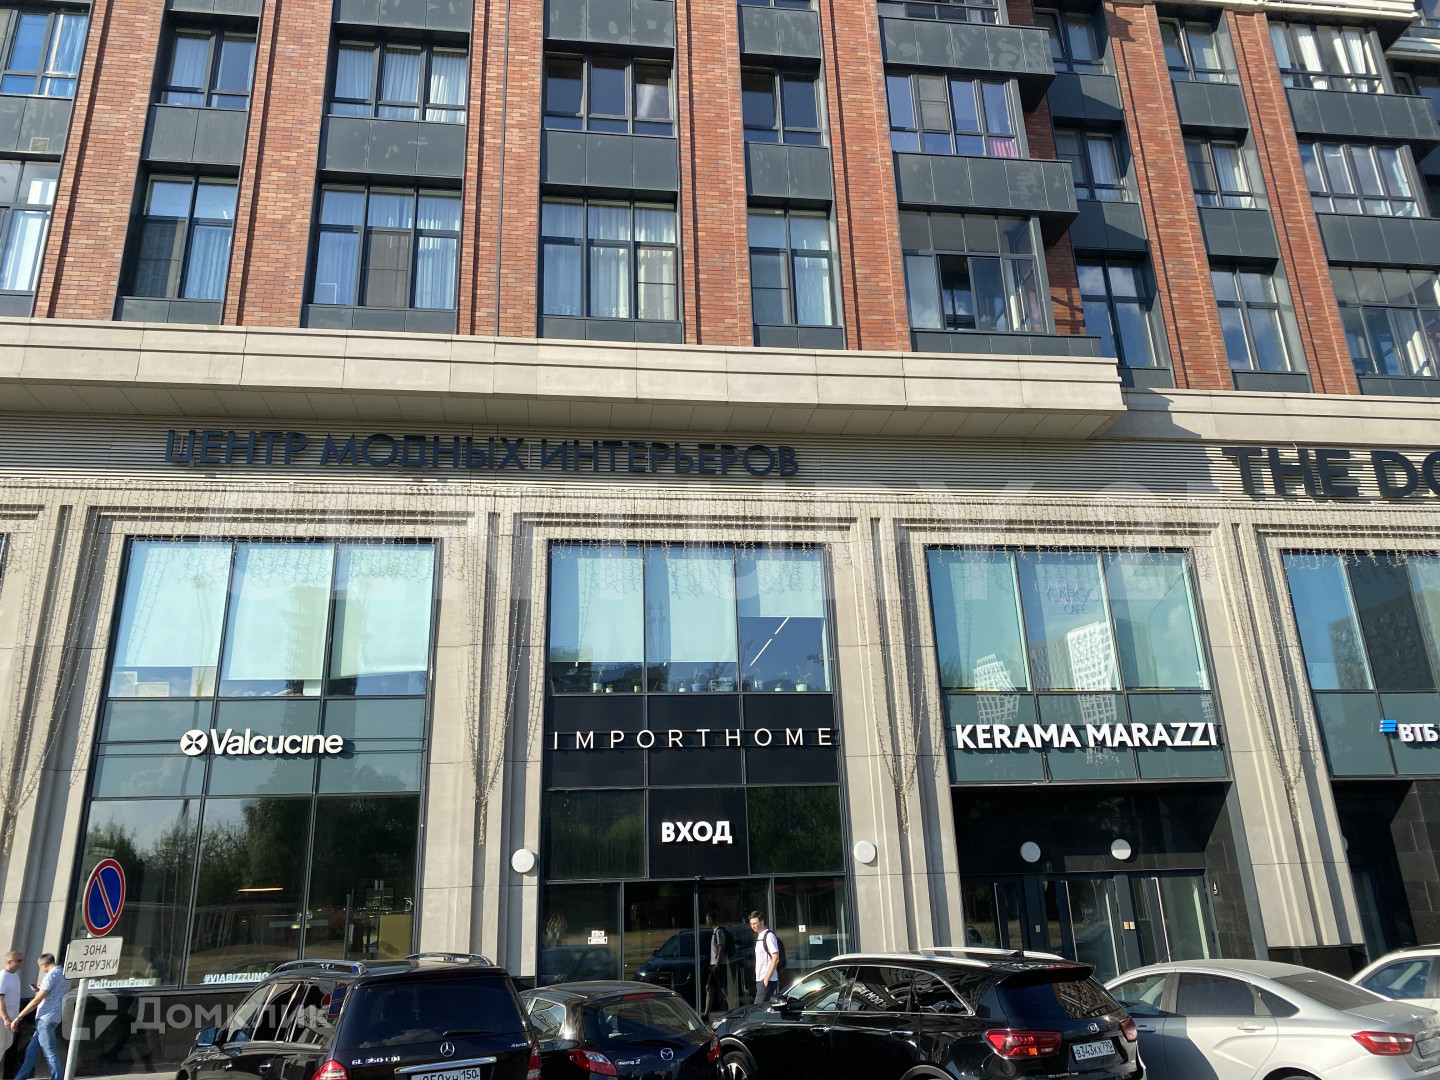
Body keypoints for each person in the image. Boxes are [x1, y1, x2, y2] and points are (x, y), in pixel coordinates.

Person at [9, 952, 68, 1080]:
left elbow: (37, 1000)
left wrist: (19, 1017)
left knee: (50, 1053)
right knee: (31, 1050)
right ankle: (19, 1078)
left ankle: (58, 1078)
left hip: (45, 1017)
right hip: (55, 1016)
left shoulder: (50, 976)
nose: (41, 970)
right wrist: (41, 989)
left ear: (44, 964)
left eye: (40, 967)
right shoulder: (64, 973)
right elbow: (53, 992)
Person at [748, 911, 781, 1006]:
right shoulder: (760, 937)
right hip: (760, 979)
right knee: (765, 1009)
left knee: (757, 1008)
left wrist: (766, 978)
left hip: (767, 980)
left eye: (755, 923)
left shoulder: (769, 936)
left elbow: (776, 958)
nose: (753, 926)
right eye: (751, 924)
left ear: (762, 922)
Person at [702, 913, 730, 1019]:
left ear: (711, 919)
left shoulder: (719, 931)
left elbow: (721, 947)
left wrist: (717, 963)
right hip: (713, 964)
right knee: (709, 987)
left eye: (707, 919)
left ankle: (732, 1009)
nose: (706, 922)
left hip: (719, 964)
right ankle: (706, 1013)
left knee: (724, 989)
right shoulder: (715, 932)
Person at [1, 951, 21, 1063]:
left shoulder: (15, 976)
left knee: (7, 1044)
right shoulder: (3, 976)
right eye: (18, 961)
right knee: (1, 1045)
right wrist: (5, 1018)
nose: (20, 964)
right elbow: (0, 999)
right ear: (9, 962)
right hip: (2, 1018)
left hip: (12, 1018)